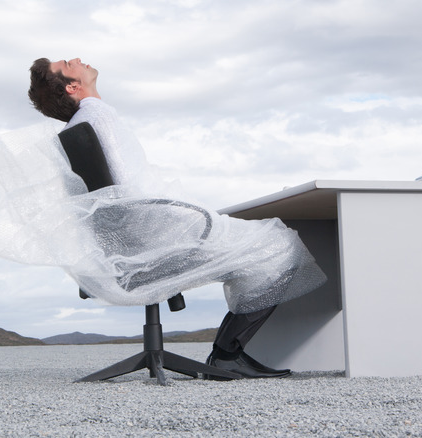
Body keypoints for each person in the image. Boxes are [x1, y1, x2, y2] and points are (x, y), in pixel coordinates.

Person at [25, 57, 327, 380]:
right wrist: (186, 214)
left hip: (131, 248)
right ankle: (227, 355)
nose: (77, 59)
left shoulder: (76, 130)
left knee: (258, 248)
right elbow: (128, 190)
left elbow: (112, 201)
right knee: (281, 246)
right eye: (68, 64)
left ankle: (227, 353)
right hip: (158, 237)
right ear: (73, 87)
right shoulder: (97, 115)